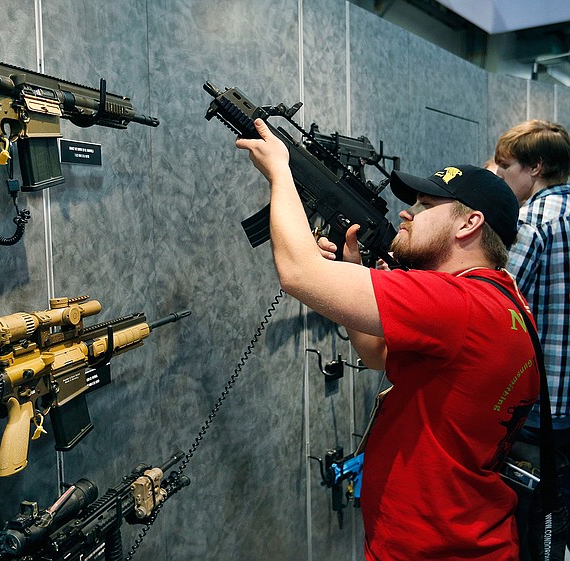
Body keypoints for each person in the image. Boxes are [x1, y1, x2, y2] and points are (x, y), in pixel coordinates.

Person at [236, 119, 540, 561]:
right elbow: (378, 355)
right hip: (462, 533)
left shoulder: (457, 303)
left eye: (425, 203)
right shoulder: (500, 298)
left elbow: (299, 273)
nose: (406, 212)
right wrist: (359, 275)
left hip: (434, 548)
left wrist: (281, 172)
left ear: (469, 224)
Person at [493, 120, 570, 505]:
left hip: (543, 406)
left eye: (505, 167)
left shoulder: (532, 221)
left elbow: (493, 298)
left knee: (537, 526)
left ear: (535, 166)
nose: (501, 176)